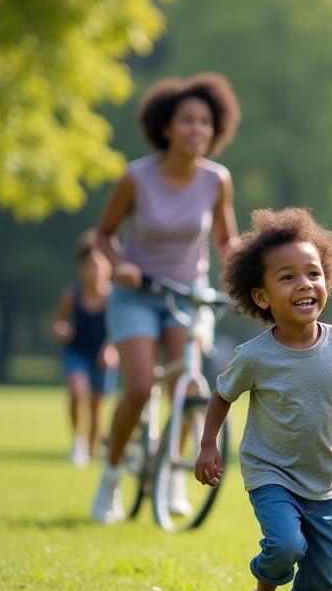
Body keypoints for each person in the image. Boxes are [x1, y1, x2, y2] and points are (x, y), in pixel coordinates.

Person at [194, 207, 332, 591]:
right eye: (288, 278)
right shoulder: (255, 355)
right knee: (283, 545)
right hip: (271, 472)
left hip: (325, 476)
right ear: (261, 297)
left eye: (313, 273)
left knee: (322, 571)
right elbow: (222, 396)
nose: (304, 284)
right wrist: (208, 445)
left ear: (327, 280)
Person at [90, 73, 240, 523]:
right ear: (167, 128)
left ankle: (173, 478)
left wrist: (250, 274)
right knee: (138, 387)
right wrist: (119, 264)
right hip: (137, 294)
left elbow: (225, 241)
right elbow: (103, 235)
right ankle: (111, 478)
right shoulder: (135, 178)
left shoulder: (217, 180)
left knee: (185, 384)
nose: (198, 130)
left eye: (206, 123)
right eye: (188, 121)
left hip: (187, 295)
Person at [51, 234, 117, 467]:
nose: (94, 270)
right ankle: (77, 442)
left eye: (98, 265)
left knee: (96, 408)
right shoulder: (72, 295)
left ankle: (91, 449)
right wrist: (61, 329)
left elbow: (119, 329)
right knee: (77, 390)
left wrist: (110, 350)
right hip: (77, 352)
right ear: (81, 268)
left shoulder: (114, 297)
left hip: (103, 357)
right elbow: (58, 320)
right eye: (89, 265)